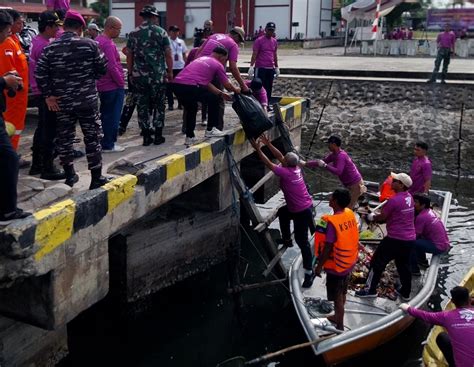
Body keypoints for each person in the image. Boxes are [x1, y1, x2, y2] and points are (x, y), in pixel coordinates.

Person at [35, 10, 109, 190]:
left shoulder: (50, 48)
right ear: (81, 27)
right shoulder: (90, 45)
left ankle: (69, 175)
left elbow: (39, 73)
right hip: (87, 101)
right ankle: (96, 178)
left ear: (65, 26)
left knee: (65, 138)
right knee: (92, 138)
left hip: (62, 102)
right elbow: (102, 69)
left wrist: (49, 95)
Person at [250, 134, 315, 288]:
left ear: (286, 163)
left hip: (301, 211)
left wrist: (258, 149)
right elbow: (280, 156)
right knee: (283, 212)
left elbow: (267, 162)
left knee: (303, 242)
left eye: (284, 159)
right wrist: (268, 143)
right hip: (303, 206)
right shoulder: (295, 167)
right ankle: (286, 239)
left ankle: (309, 273)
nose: (282, 159)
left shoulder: (285, 172)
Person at [355, 172, 415, 301]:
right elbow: (397, 215)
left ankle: (369, 290)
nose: (392, 182)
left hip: (394, 239)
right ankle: (406, 293)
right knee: (404, 266)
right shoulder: (409, 198)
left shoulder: (394, 200)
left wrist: (371, 217)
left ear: (401, 185)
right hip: (409, 239)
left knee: (376, 263)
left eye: (395, 180)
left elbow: (382, 218)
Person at [170, 46, 240, 145]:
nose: (225, 62)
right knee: (215, 99)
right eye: (225, 59)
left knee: (192, 108)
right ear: (221, 56)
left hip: (177, 86)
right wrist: (237, 90)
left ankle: (190, 137)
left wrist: (221, 93)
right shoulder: (217, 64)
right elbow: (227, 85)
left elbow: (205, 83)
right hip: (191, 86)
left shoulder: (200, 59)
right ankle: (211, 129)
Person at [0, 10, 31, 224]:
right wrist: (5, 83)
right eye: (6, 30)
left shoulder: (13, 42)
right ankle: (7, 211)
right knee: (9, 158)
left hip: (12, 101)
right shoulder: (6, 46)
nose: (8, 33)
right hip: (9, 103)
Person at [127, 5, 173, 146]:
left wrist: (130, 72)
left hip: (139, 77)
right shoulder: (161, 32)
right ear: (154, 17)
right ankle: (158, 136)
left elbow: (129, 55)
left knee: (142, 106)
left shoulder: (133, 33)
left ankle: (146, 136)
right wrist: (170, 71)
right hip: (157, 76)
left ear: (142, 17)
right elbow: (168, 54)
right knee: (159, 105)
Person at [314, 188, 359, 330]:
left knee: (338, 295)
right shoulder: (349, 213)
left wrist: (319, 266)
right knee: (343, 291)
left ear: (336, 201)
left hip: (337, 267)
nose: (330, 198)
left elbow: (327, 248)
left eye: (332, 197)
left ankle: (339, 325)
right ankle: (336, 317)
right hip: (349, 262)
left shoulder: (332, 223)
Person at [28, 11, 65, 180]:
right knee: (50, 131)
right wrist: (50, 94)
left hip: (40, 91)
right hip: (46, 94)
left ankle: (37, 164)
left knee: (42, 128)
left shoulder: (37, 41)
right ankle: (47, 168)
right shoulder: (44, 46)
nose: (57, 30)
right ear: (48, 26)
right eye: (56, 26)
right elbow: (47, 73)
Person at [400, 286, 474, 367]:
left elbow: (425, 316)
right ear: (469, 299)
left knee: (442, 337)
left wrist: (408, 309)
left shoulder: (447, 316)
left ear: (452, 301)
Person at [196, 26, 250, 134]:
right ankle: (216, 129)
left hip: (199, 67)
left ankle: (202, 130)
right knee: (219, 99)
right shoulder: (233, 44)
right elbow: (233, 68)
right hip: (213, 71)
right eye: (239, 40)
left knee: (202, 99)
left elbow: (198, 51)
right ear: (235, 35)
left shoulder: (214, 35)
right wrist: (243, 86)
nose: (238, 43)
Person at [305, 136, 365, 210]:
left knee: (347, 209)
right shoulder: (333, 154)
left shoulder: (341, 156)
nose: (328, 146)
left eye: (329, 144)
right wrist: (305, 163)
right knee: (346, 205)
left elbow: (338, 172)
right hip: (348, 184)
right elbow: (323, 161)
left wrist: (325, 165)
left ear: (334, 144)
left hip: (355, 184)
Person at [96, 16, 125, 153]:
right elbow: (112, 66)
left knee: (105, 115)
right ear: (110, 28)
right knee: (113, 116)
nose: (119, 32)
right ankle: (109, 144)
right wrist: (121, 82)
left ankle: (104, 142)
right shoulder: (107, 43)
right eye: (118, 29)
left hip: (103, 84)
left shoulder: (98, 40)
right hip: (112, 85)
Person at [0, 9, 28, 152]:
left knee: (16, 129)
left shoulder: (15, 40)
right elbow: (7, 71)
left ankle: (13, 155)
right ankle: (9, 157)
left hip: (19, 97)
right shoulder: (7, 43)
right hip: (13, 96)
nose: (21, 26)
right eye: (18, 23)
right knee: (11, 128)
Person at [410, 193, 449, 274]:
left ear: (423, 205)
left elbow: (415, 236)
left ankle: (414, 269)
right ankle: (422, 261)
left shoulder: (421, 217)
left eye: (416, 202)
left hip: (438, 246)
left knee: (411, 243)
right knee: (418, 241)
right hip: (443, 244)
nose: (414, 204)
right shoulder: (429, 211)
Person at [248, 22, 279, 105]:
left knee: (269, 87)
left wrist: (276, 67)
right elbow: (255, 54)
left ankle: (267, 103)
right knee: (258, 86)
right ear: (265, 30)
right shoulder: (259, 41)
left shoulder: (274, 41)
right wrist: (251, 66)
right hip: (260, 67)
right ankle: (257, 103)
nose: (270, 32)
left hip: (270, 68)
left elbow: (274, 55)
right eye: (269, 30)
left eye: (272, 30)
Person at [166, 25, 188, 111]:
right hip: (169, 67)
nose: (175, 33)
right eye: (173, 31)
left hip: (180, 66)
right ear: (170, 32)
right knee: (169, 87)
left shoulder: (181, 41)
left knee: (180, 86)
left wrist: (186, 64)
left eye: (177, 31)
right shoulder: (166, 41)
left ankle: (180, 103)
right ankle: (170, 104)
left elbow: (184, 54)